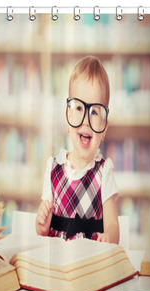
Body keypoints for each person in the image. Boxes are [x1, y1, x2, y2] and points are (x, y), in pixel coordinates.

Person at [35, 56, 119, 244]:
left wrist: (109, 237)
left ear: (104, 127)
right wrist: (41, 225)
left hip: (89, 267)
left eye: (95, 111)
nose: (86, 120)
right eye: (79, 108)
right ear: (68, 118)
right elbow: (42, 229)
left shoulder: (104, 172)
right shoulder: (53, 168)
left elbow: (113, 225)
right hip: (57, 266)